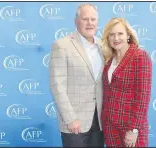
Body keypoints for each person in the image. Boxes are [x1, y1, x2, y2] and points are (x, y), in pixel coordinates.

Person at [49, 3, 104, 147]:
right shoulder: (62, 45)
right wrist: (70, 118)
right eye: (85, 19)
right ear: (76, 21)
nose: (90, 23)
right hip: (74, 122)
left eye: (93, 19)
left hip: (100, 121)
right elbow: (57, 86)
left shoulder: (103, 46)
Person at [101, 17, 152, 147]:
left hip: (130, 127)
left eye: (120, 34)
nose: (116, 38)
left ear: (128, 35)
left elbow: (143, 96)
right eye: (112, 34)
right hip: (110, 127)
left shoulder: (139, 56)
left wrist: (134, 129)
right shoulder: (108, 59)